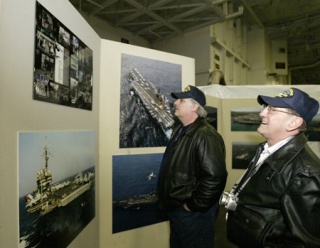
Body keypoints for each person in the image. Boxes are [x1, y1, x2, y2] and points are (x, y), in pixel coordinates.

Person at [221, 87, 320, 247]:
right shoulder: (267, 149)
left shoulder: (305, 174)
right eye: (265, 107)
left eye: (272, 109)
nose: (262, 113)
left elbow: (305, 243)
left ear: (294, 123)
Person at [157, 85, 228, 248]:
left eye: (181, 100)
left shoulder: (205, 135)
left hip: (194, 215)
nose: (175, 103)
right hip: (178, 212)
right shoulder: (182, 131)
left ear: (195, 106)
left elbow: (215, 178)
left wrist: (192, 206)